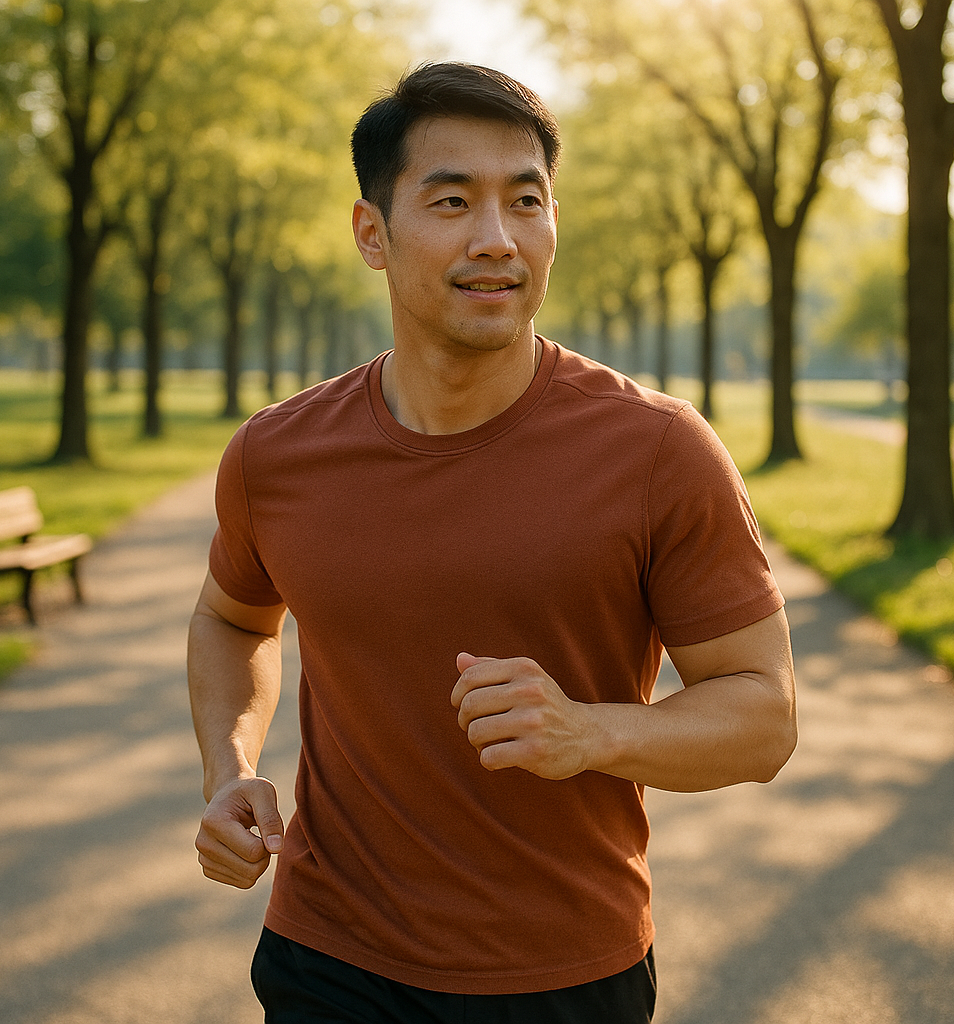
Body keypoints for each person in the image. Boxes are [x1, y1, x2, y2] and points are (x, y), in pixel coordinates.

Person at [188, 62, 797, 1024]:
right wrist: (231, 771)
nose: (497, 239)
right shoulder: (277, 453)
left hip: (563, 979)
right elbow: (231, 617)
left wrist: (591, 731)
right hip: (325, 960)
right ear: (372, 235)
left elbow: (766, 717)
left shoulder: (658, 451)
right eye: (452, 201)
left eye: (526, 201)